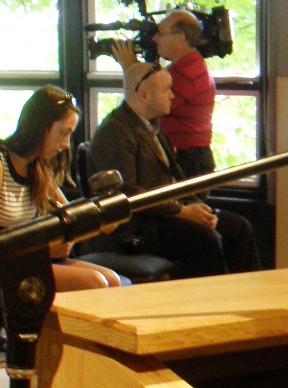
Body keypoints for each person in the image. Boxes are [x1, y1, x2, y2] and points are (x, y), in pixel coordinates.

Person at [0, 86, 123, 312]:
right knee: (96, 283)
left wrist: (100, 222)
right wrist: (44, 250)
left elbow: (69, 214)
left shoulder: (36, 166)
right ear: (40, 128)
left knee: (112, 280)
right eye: (63, 133)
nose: (65, 145)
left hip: (23, 262)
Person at [89, 62, 258, 278]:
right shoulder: (115, 132)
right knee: (203, 237)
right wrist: (181, 212)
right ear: (143, 96)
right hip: (140, 225)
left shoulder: (154, 127)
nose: (172, 96)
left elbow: (175, 179)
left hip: (165, 214)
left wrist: (198, 207)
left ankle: (247, 300)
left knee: (239, 228)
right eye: (166, 89)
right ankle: (212, 305)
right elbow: (128, 195)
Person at [113, 9, 216, 177]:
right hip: (188, 155)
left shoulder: (187, 74)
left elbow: (146, 105)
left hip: (188, 159)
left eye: (160, 34)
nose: (154, 39)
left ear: (181, 38)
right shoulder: (186, 66)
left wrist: (130, 67)